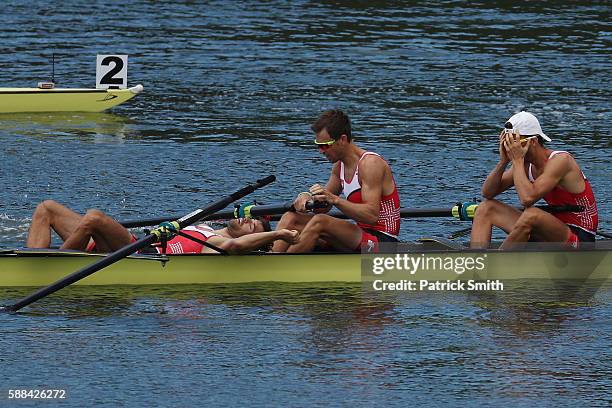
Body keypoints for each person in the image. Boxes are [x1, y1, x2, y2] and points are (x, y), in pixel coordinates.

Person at [272, 109, 401, 253]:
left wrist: (335, 199)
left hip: (383, 242)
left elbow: (371, 216)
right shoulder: (339, 166)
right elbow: (324, 206)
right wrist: (306, 196)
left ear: (343, 139)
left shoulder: (370, 164)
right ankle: (272, 259)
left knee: (320, 222)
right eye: (318, 145)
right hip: (360, 234)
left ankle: (281, 269)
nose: (321, 150)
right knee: (291, 218)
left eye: (325, 145)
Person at [470, 111, 598, 249]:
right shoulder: (524, 164)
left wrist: (517, 161)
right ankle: (477, 264)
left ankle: (499, 263)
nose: (512, 148)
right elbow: (488, 192)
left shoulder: (561, 161)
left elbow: (527, 199)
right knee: (486, 208)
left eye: (516, 142)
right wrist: (503, 162)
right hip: (549, 231)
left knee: (532, 214)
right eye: (508, 143)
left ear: (533, 141)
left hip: (580, 237)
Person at [26, 200, 300, 254]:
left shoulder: (217, 244)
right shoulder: (208, 223)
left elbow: (233, 245)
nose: (245, 219)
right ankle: (33, 263)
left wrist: (276, 233)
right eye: (249, 215)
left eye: (252, 225)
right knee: (46, 208)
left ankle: (55, 262)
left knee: (95, 217)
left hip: (137, 254)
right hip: (131, 242)